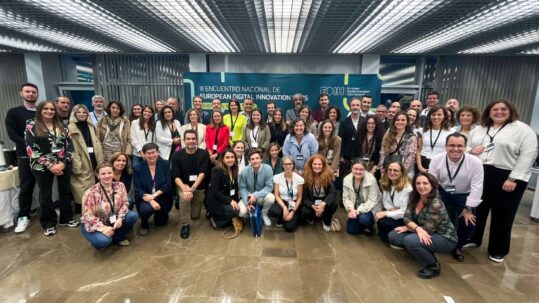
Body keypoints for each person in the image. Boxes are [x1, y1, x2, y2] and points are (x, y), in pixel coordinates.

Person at [466, 99, 537, 263]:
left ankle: (498, 249)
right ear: (489, 112)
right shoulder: (480, 129)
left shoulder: (523, 130)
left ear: (511, 111)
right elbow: (467, 146)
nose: (499, 112)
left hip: (508, 175)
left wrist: (513, 178)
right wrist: (471, 150)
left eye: (503, 109)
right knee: (478, 209)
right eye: (495, 109)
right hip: (481, 172)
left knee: (503, 214)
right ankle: (473, 238)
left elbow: (528, 156)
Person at [388, 173, 457, 279]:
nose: (421, 186)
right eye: (418, 183)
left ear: (432, 185)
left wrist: (411, 227)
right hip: (422, 230)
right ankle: (422, 250)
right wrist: (416, 228)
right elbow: (406, 218)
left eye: (425, 183)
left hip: (444, 238)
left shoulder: (436, 203)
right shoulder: (413, 196)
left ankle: (432, 265)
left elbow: (428, 229)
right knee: (394, 235)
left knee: (409, 240)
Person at [25, 101, 78, 236]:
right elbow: (32, 149)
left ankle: (66, 218)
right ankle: (48, 223)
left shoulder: (61, 126)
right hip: (41, 166)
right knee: (45, 194)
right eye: (46, 109)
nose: (49, 111)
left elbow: (70, 147)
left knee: (65, 192)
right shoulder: (31, 125)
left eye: (52, 109)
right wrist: (50, 165)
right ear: (40, 110)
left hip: (62, 163)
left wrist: (63, 163)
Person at [429, 133, 484, 262]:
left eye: (460, 146)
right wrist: (435, 202)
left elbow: (477, 187)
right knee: (437, 217)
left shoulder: (475, 162)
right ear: (445, 146)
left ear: (465, 147)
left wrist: (468, 208)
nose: (455, 149)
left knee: (467, 222)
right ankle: (438, 242)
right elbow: (432, 183)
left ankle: (458, 247)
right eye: (451, 145)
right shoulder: (437, 159)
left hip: (464, 195)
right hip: (442, 192)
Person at [6, 83, 39, 233]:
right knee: (26, 187)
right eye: (28, 92)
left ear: (37, 94)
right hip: (26, 157)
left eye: (33, 92)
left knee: (48, 188)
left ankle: (50, 213)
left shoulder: (43, 112)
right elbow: (13, 134)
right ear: (21, 93)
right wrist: (29, 146)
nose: (31, 94)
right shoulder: (14, 113)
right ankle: (23, 216)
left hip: (45, 157)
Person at [81, 162, 138, 249]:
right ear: (98, 175)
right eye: (103, 174)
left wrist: (120, 218)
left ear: (113, 173)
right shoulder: (91, 192)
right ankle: (100, 238)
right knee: (104, 241)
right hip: (94, 223)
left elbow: (125, 203)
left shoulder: (120, 186)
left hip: (112, 219)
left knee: (132, 215)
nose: (107, 176)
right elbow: (88, 216)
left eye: (109, 173)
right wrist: (103, 228)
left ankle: (117, 237)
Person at [171, 130, 210, 239]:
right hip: (183, 186)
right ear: (184, 140)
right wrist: (184, 189)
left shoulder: (203, 153)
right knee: (184, 198)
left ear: (197, 140)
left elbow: (203, 173)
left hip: (198, 187)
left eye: (193, 139)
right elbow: (175, 176)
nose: (191, 141)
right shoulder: (177, 155)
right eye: (188, 139)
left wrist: (192, 189)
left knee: (195, 216)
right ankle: (185, 225)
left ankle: (185, 204)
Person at [68, 104, 104, 214]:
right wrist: (76, 165)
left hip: (94, 157)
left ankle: (95, 209)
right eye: (79, 112)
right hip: (81, 159)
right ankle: (84, 213)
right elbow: (71, 148)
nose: (82, 114)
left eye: (84, 112)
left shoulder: (91, 126)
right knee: (82, 186)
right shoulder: (70, 128)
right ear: (74, 114)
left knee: (95, 183)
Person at [133, 143, 173, 235]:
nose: (151, 155)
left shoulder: (165, 164)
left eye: (153, 152)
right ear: (143, 154)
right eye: (148, 153)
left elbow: (168, 185)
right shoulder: (137, 168)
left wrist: (154, 195)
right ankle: (144, 222)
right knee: (145, 210)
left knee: (161, 223)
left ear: (158, 152)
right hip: (145, 198)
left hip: (161, 195)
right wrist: (151, 200)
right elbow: (138, 189)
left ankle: (160, 214)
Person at [375, 162, 412, 244]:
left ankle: (397, 239)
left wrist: (385, 213)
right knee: (380, 219)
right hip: (394, 213)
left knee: (383, 221)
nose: (392, 172)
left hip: (405, 218)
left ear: (402, 172)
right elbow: (385, 201)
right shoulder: (387, 183)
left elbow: (404, 212)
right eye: (390, 170)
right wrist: (391, 209)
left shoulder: (408, 188)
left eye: (396, 170)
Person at [205, 149, 241, 229]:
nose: (230, 159)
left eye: (232, 157)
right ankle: (216, 220)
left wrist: (236, 201)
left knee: (240, 209)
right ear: (223, 159)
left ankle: (225, 218)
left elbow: (234, 188)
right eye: (227, 157)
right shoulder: (216, 171)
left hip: (226, 198)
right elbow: (215, 191)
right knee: (236, 211)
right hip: (215, 201)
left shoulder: (234, 169)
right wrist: (230, 201)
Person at [301, 155, 339, 232]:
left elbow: (333, 192)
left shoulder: (328, 175)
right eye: (315, 164)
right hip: (312, 199)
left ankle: (326, 219)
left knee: (334, 203)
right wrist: (312, 206)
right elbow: (304, 196)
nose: (317, 166)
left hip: (324, 199)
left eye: (319, 164)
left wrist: (323, 204)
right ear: (311, 165)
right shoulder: (305, 176)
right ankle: (313, 215)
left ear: (323, 165)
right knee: (304, 212)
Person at [343, 160, 381, 235]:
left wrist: (358, 211)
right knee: (351, 230)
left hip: (371, 208)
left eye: (361, 169)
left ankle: (370, 225)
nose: (358, 171)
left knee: (364, 219)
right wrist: (351, 209)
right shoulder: (347, 179)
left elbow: (372, 201)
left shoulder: (371, 180)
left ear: (365, 169)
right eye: (355, 169)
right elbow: (346, 198)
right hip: (355, 208)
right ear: (351, 168)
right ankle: (361, 224)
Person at [238, 149, 275, 226]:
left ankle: (264, 213)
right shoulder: (245, 171)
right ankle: (249, 211)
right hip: (248, 195)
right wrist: (246, 202)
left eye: (257, 158)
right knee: (241, 213)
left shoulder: (268, 169)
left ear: (261, 159)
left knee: (271, 198)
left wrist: (255, 195)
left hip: (261, 196)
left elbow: (269, 187)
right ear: (249, 161)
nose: (255, 161)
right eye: (252, 159)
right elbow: (242, 187)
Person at [269, 156, 304, 232]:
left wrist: (293, 211)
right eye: (285, 164)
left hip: (294, 202)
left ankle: (293, 216)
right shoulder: (277, 177)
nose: (288, 166)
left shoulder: (299, 179)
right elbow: (277, 195)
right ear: (282, 165)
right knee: (273, 211)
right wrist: (284, 207)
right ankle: (282, 217)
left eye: (290, 164)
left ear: (293, 165)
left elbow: (299, 198)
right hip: (282, 201)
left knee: (289, 228)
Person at [416, 105, 453, 173]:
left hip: (442, 164)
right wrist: (420, 167)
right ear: (429, 116)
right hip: (424, 163)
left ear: (444, 116)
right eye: (433, 114)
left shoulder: (452, 132)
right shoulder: (422, 131)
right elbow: (418, 150)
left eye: (439, 114)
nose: (436, 117)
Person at [379, 112, 417, 177]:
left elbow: (411, 156)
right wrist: (382, 170)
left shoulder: (412, 137)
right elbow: (383, 153)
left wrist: (401, 172)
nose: (400, 122)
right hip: (389, 170)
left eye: (403, 120)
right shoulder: (387, 135)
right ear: (394, 121)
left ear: (407, 122)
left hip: (405, 172)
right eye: (398, 120)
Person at [339, 97, 364, 175]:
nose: (355, 107)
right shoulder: (344, 122)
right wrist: (341, 156)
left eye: (357, 105)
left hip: (362, 155)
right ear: (350, 107)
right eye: (353, 105)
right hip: (348, 157)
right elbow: (341, 139)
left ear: (360, 107)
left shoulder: (365, 121)